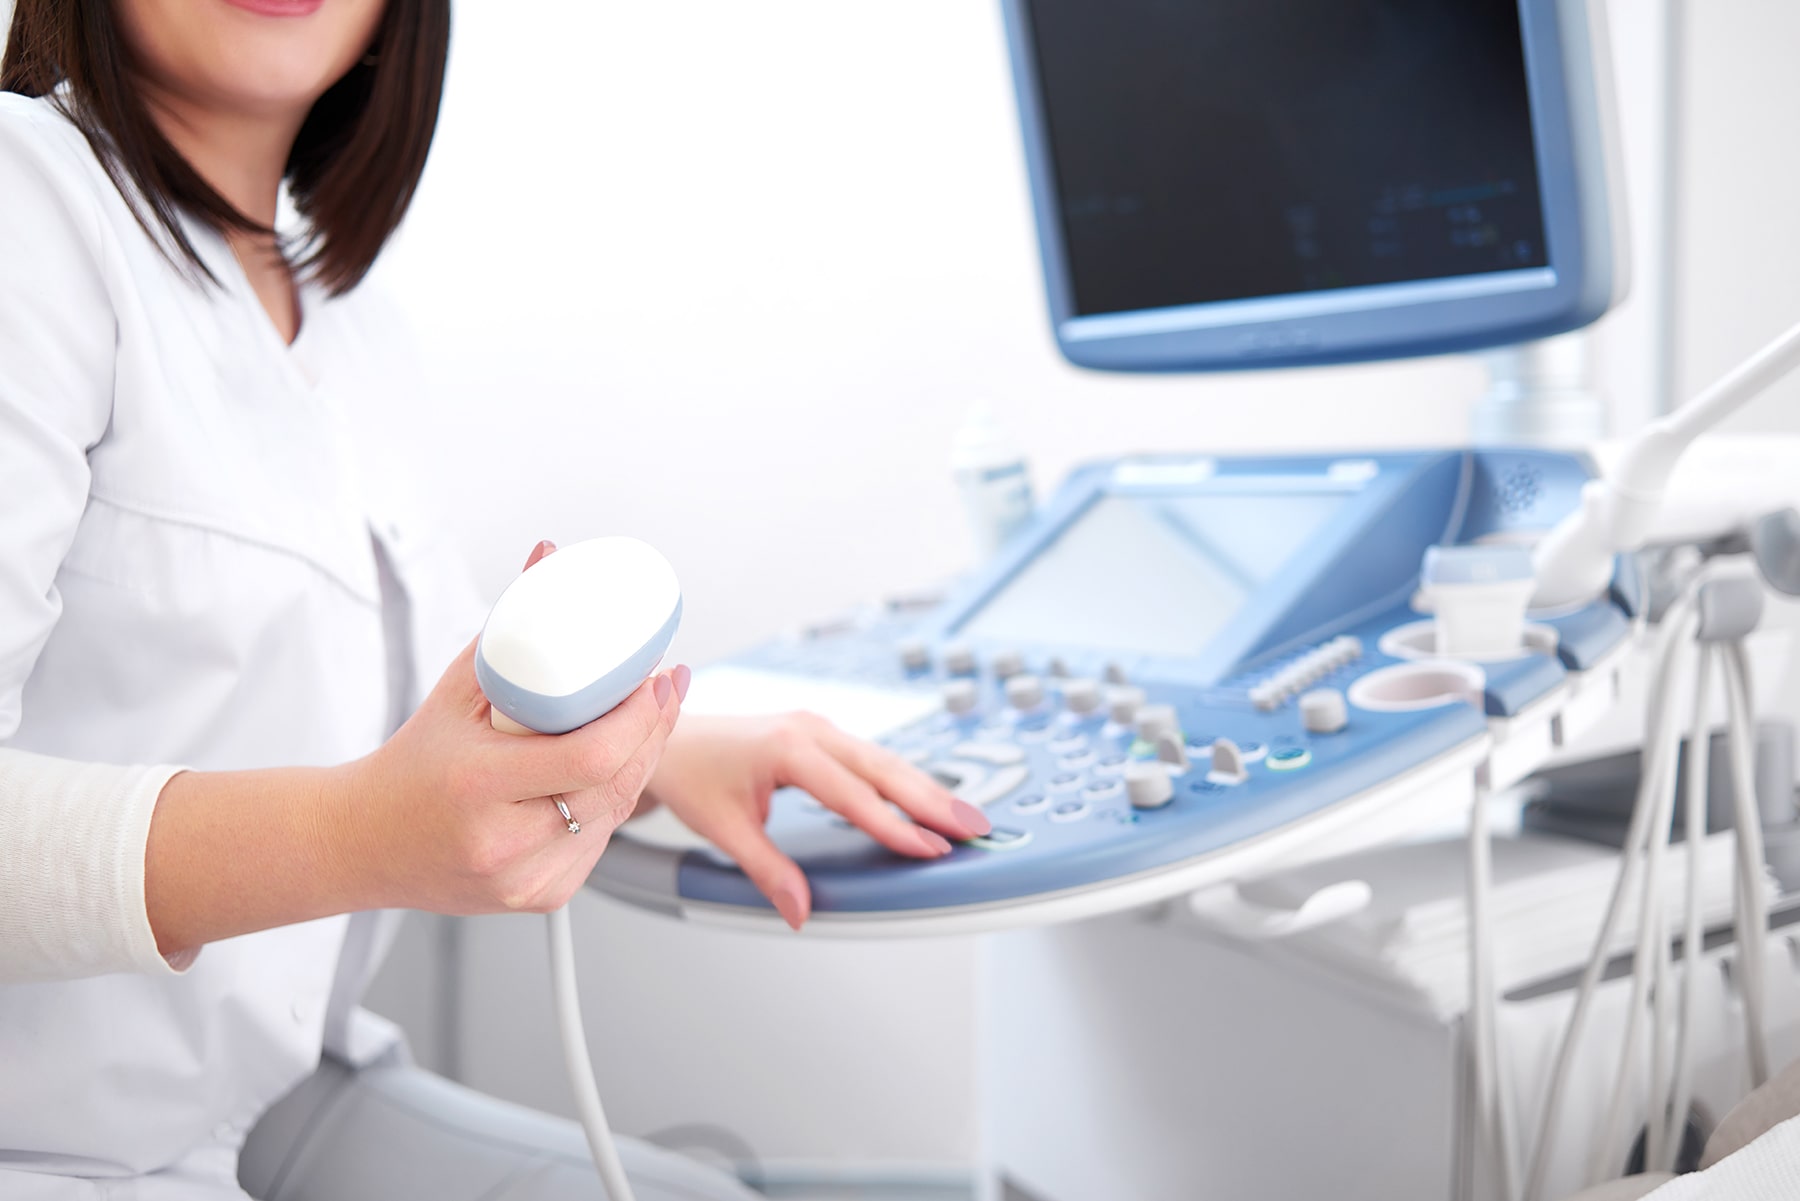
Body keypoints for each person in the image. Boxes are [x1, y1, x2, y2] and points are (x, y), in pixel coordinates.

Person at [0, 1, 993, 1197]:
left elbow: (384, 696)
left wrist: (659, 750)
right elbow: (364, 803)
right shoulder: (27, 205)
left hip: (273, 1096)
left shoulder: (354, 330)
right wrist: (356, 836)